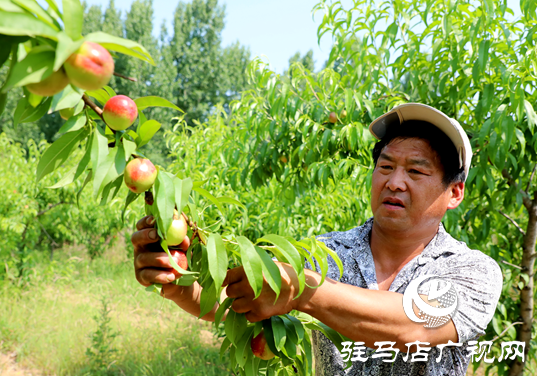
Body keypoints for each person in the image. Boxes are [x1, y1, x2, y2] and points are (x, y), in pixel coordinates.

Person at [131, 103, 503, 375]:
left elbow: (415, 325)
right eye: (385, 166)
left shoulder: (472, 270)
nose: (394, 181)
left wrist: (301, 290)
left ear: (455, 193)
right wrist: (177, 283)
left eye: (416, 171)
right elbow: (243, 300)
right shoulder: (326, 253)